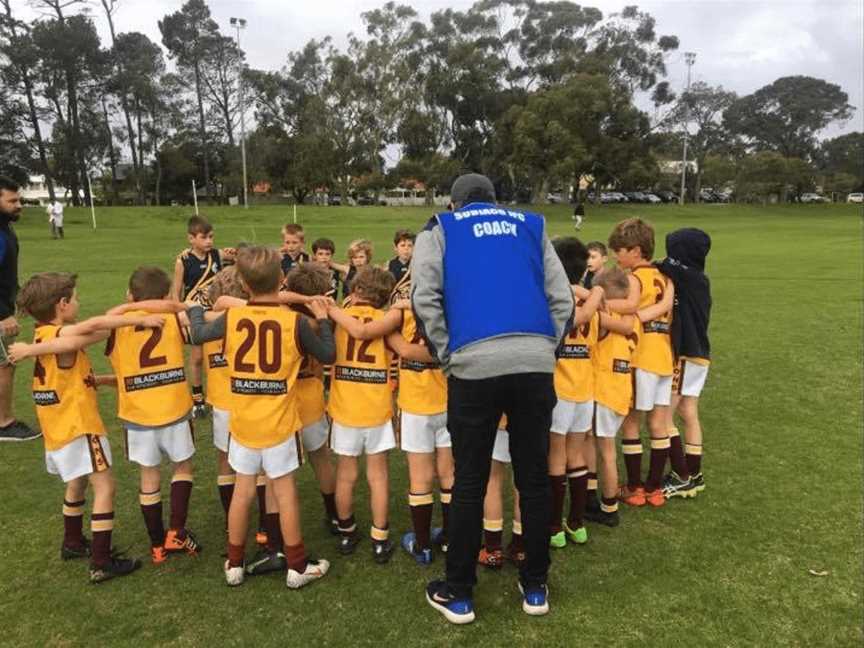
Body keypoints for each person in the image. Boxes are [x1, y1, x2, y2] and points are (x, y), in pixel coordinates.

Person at [412, 173, 574, 623]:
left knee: (469, 480)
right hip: (534, 361)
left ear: (455, 202)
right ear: (495, 200)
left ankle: (459, 592)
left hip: (472, 363)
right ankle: (535, 585)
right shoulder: (532, 224)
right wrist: (545, 349)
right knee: (534, 478)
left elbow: (424, 297)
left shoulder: (440, 228)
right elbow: (562, 299)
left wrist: (449, 355)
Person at [188, 245, 334, 589]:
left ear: (242, 281)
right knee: (285, 494)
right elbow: (328, 353)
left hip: (243, 423)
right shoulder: (294, 321)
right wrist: (324, 322)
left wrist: (195, 308)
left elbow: (198, 333)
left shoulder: (234, 318)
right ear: (281, 279)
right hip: (280, 424)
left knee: (242, 493)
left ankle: (234, 563)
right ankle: (297, 565)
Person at [9, 272, 160, 582]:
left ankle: (73, 542)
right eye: (75, 298)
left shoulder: (42, 333)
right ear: (62, 305)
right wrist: (131, 319)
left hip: (56, 426)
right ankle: (101, 562)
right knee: (105, 486)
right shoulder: (61, 337)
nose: (78, 302)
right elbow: (93, 329)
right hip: (79, 426)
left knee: (76, 481)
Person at [106, 266, 202, 564]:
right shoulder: (174, 317)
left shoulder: (116, 321)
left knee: (149, 475)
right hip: (173, 407)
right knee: (182, 467)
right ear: (164, 296)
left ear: (130, 295)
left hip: (137, 411)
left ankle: (157, 545)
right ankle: (176, 531)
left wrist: (130, 305)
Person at [326, 266, 399, 564]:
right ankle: (379, 539)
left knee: (346, 474)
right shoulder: (386, 320)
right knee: (378, 475)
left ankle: (347, 532)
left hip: (345, 407)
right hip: (377, 407)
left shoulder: (338, 318)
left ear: (355, 291)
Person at [607, 218, 675, 508]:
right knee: (659, 423)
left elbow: (629, 316)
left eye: (620, 250)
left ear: (635, 251)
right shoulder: (665, 278)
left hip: (639, 357)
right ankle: (655, 489)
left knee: (632, 422)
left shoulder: (632, 279)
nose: (616, 256)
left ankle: (634, 488)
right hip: (664, 357)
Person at [548, 238, 603, 549]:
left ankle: (554, 527)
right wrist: (595, 292)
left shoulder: (550, 297)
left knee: (555, 456)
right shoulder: (592, 303)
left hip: (559, 387)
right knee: (577, 454)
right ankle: (577, 524)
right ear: (583, 273)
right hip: (586, 388)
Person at [656, 228, 712, 499]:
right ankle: (694, 472)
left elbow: (663, 265)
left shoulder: (685, 276)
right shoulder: (699, 278)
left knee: (664, 416)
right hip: (700, 355)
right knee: (688, 412)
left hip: (686, 354)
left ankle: (682, 477)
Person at [583, 268, 639, 527]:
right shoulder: (631, 316)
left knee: (604, 449)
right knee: (597, 444)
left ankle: (608, 506)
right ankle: (595, 498)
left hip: (603, 388)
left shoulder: (602, 314)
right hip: (621, 388)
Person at [171, 215, 236, 418]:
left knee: (221, 353)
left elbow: (241, 259)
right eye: (204, 237)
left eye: (211, 237)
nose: (209, 241)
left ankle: (227, 391)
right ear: (191, 239)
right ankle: (198, 398)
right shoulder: (183, 260)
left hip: (216, 310)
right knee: (198, 356)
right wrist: (179, 310)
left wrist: (235, 253)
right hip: (195, 312)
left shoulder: (217, 254)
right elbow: (177, 289)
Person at [0, 175, 39, 441]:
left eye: (19, 199)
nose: (19, 205)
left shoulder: (5, 230)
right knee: (5, 364)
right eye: (12, 200)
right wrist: (3, 314)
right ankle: (4, 423)